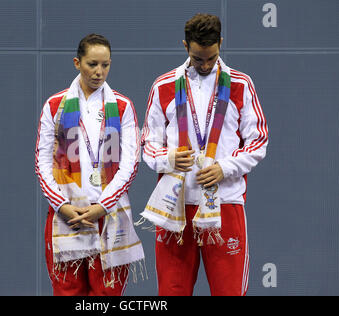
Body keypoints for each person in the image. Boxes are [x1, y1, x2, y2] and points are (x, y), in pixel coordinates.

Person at [140, 13, 268, 296]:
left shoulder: (240, 84)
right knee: (171, 292)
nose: (206, 65)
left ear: (220, 44)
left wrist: (225, 167)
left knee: (229, 292)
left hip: (225, 203)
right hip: (176, 206)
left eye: (211, 57)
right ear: (185, 46)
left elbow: (259, 141)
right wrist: (169, 158)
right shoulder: (163, 86)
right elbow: (147, 145)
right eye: (198, 58)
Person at [35, 34, 145, 296]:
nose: (99, 72)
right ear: (77, 63)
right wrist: (62, 205)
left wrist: (103, 206)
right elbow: (42, 163)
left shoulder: (122, 106)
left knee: (107, 296)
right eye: (92, 64)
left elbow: (130, 164)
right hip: (66, 217)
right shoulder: (54, 105)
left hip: (109, 215)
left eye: (105, 65)